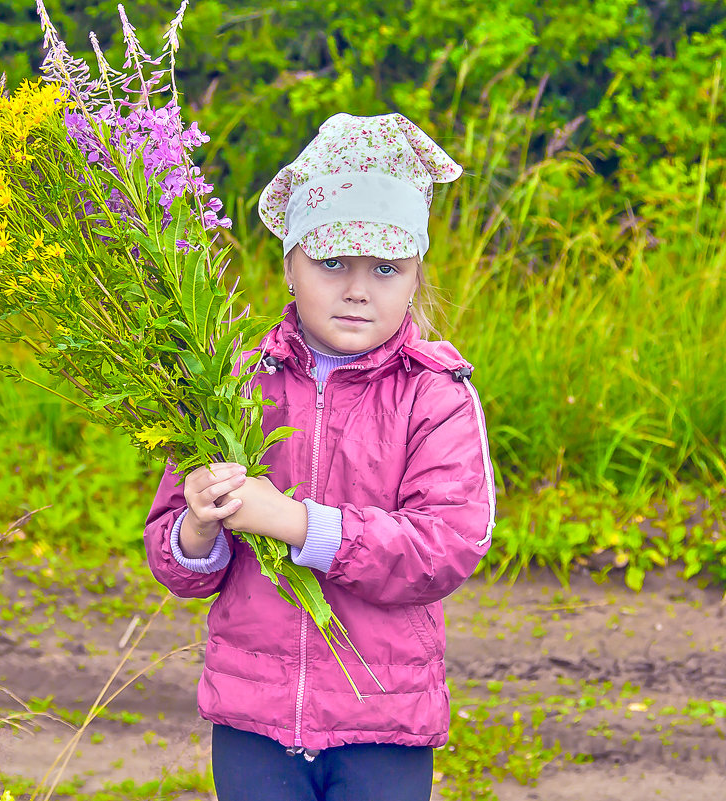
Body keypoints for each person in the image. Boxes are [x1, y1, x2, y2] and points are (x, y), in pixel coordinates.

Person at [142, 112, 496, 801]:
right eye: (332, 262)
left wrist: (297, 523)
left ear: (414, 270)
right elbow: (174, 557)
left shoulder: (435, 393)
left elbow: (447, 544)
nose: (358, 288)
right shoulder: (228, 381)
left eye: (385, 268)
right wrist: (200, 529)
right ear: (289, 261)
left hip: (381, 720)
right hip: (254, 720)